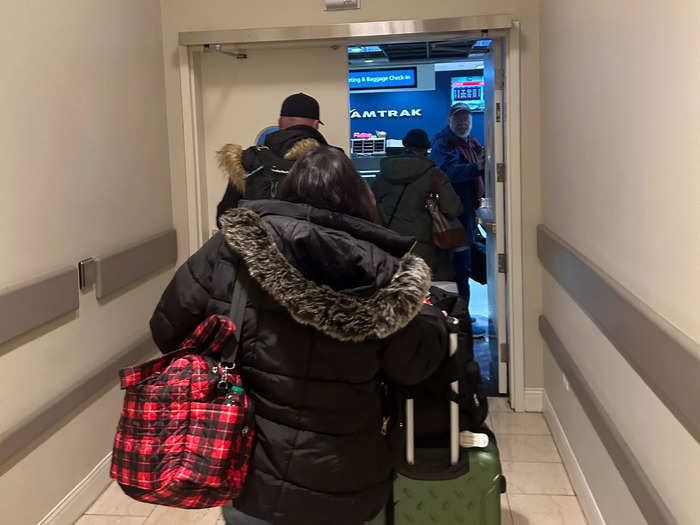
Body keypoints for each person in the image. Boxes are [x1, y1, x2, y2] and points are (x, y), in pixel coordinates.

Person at [150, 146, 450, 525]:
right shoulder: (387, 270)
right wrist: (430, 319)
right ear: (361, 196)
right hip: (345, 478)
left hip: (248, 471)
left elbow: (166, 331)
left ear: (287, 190)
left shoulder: (231, 250)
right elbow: (412, 367)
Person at [215, 92, 329, 227]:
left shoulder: (248, 159)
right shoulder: (330, 160)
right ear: (315, 125)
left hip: (260, 246)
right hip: (311, 245)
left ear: (280, 123)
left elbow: (224, 217)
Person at [373, 128, 463, 281]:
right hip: (427, 249)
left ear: (405, 146)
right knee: (427, 294)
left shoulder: (385, 174)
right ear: (426, 149)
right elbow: (453, 208)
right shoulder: (435, 175)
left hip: (392, 247)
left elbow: (371, 203)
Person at [430, 104, 486, 335]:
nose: (463, 123)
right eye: (458, 119)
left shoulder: (472, 142)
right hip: (453, 218)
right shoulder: (443, 142)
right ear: (450, 120)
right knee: (457, 268)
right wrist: (476, 168)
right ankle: (457, 319)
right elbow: (449, 172)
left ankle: (462, 315)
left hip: (468, 215)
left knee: (465, 265)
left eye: (466, 118)